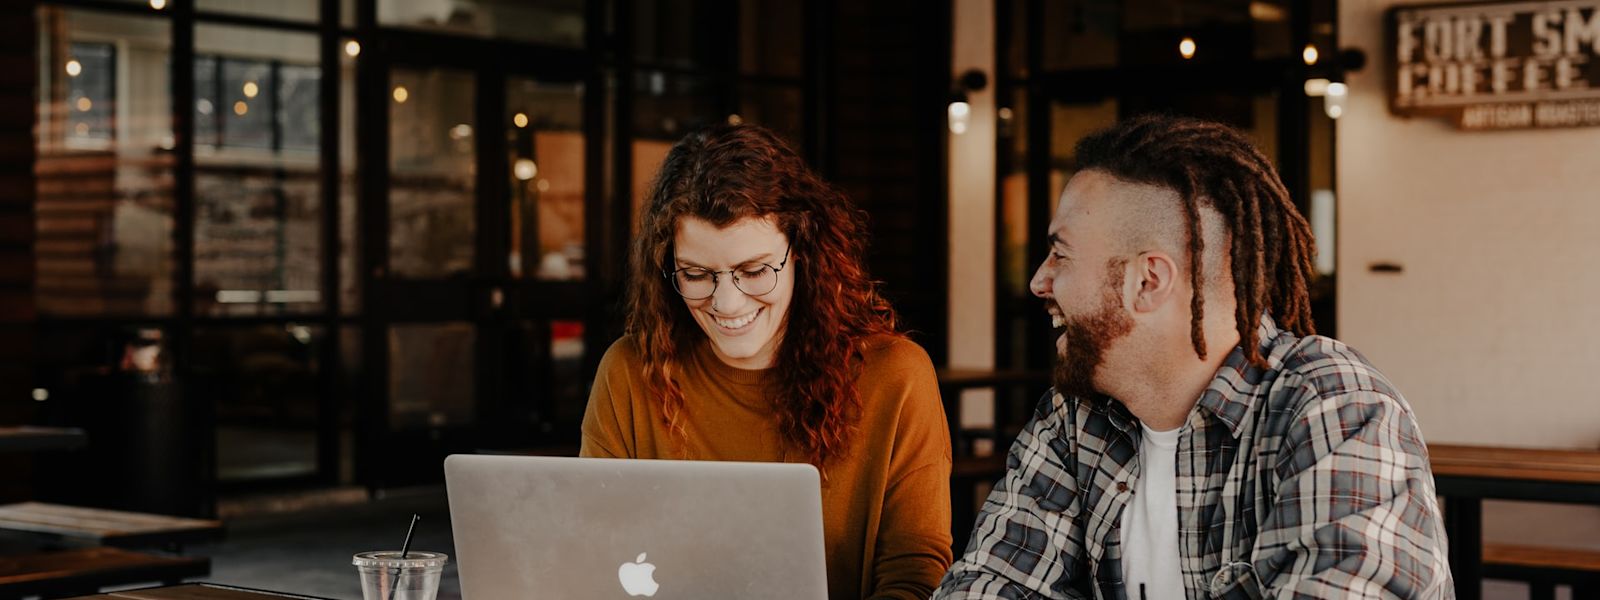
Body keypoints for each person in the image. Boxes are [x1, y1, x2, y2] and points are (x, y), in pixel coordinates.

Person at [934, 115, 1452, 599]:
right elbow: (987, 584)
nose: (1039, 280)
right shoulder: (1074, 418)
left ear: (1148, 281)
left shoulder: (1333, 410)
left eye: (1060, 254)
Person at [581, 123, 953, 599]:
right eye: (696, 275)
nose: (728, 303)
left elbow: (916, 568)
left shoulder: (895, 375)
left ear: (803, 253)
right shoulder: (630, 371)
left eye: (754, 271)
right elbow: (591, 548)